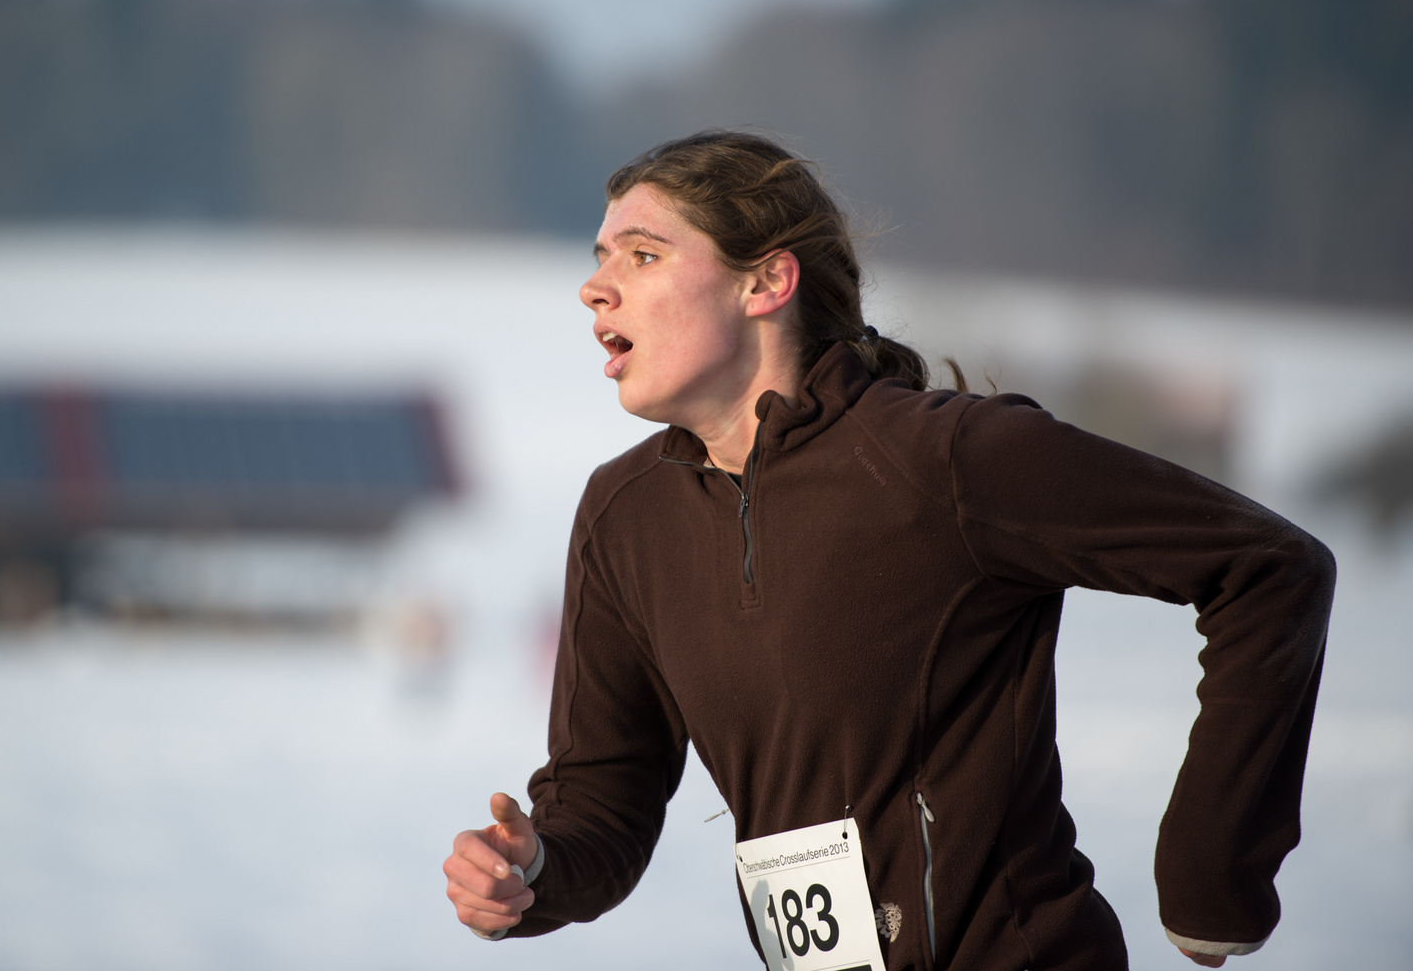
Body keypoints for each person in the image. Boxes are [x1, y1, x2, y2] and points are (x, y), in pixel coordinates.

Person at [442, 130, 1334, 971]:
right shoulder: (624, 515)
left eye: (642, 255)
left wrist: (1211, 873)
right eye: (598, 259)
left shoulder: (945, 461)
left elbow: (1268, 566)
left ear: (767, 283)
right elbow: (605, 798)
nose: (597, 287)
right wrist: (536, 870)